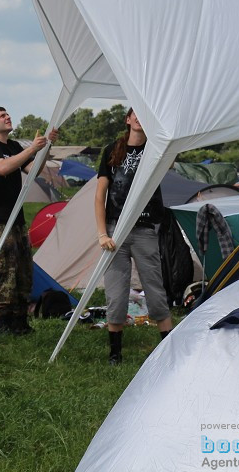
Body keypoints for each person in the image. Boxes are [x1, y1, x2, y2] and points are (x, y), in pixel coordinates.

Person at [95, 108, 172, 364]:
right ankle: (115, 353)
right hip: (115, 230)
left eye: (144, 113)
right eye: (134, 113)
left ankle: (167, 349)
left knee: (154, 287)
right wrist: (101, 233)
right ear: (128, 119)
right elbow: (99, 195)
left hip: (145, 229)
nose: (139, 117)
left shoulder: (156, 148)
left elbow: (172, 155)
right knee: (116, 292)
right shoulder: (112, 150)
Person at [0, 106, 57, 336]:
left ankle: (21, 322)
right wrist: (32, 147)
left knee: (23, 270)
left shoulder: (13, 147)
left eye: (7, 114)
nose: (7, 117)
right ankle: (4, 323)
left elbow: (33, 170)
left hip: (17, 218)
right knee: (4, 270)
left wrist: (46, 147)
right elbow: (1, 168)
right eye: (2, 116)